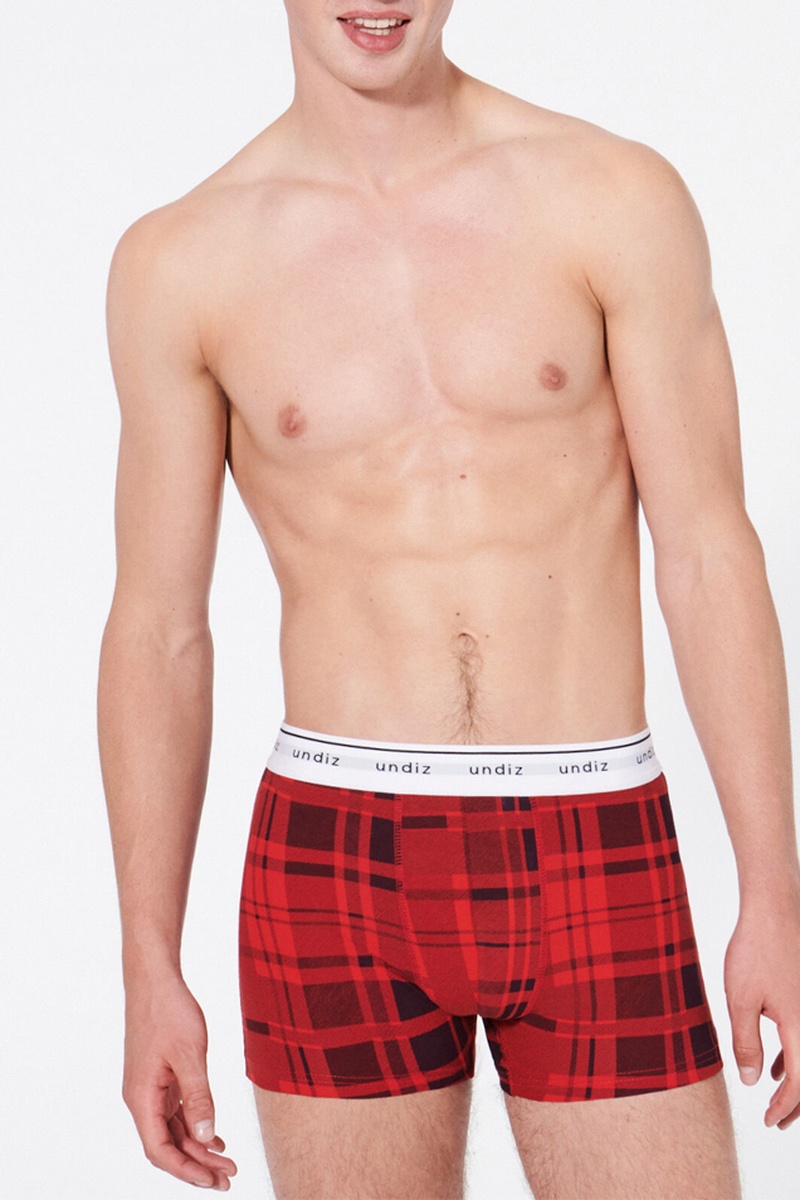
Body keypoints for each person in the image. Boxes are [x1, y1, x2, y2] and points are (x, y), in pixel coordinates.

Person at [98, 2, 800, 1196]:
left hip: (592, 831)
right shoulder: (182, 261)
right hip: (332, 857)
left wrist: (773, 895)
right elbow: (158, 629)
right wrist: (146, 965)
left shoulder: (610, 196)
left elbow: (707, 553)